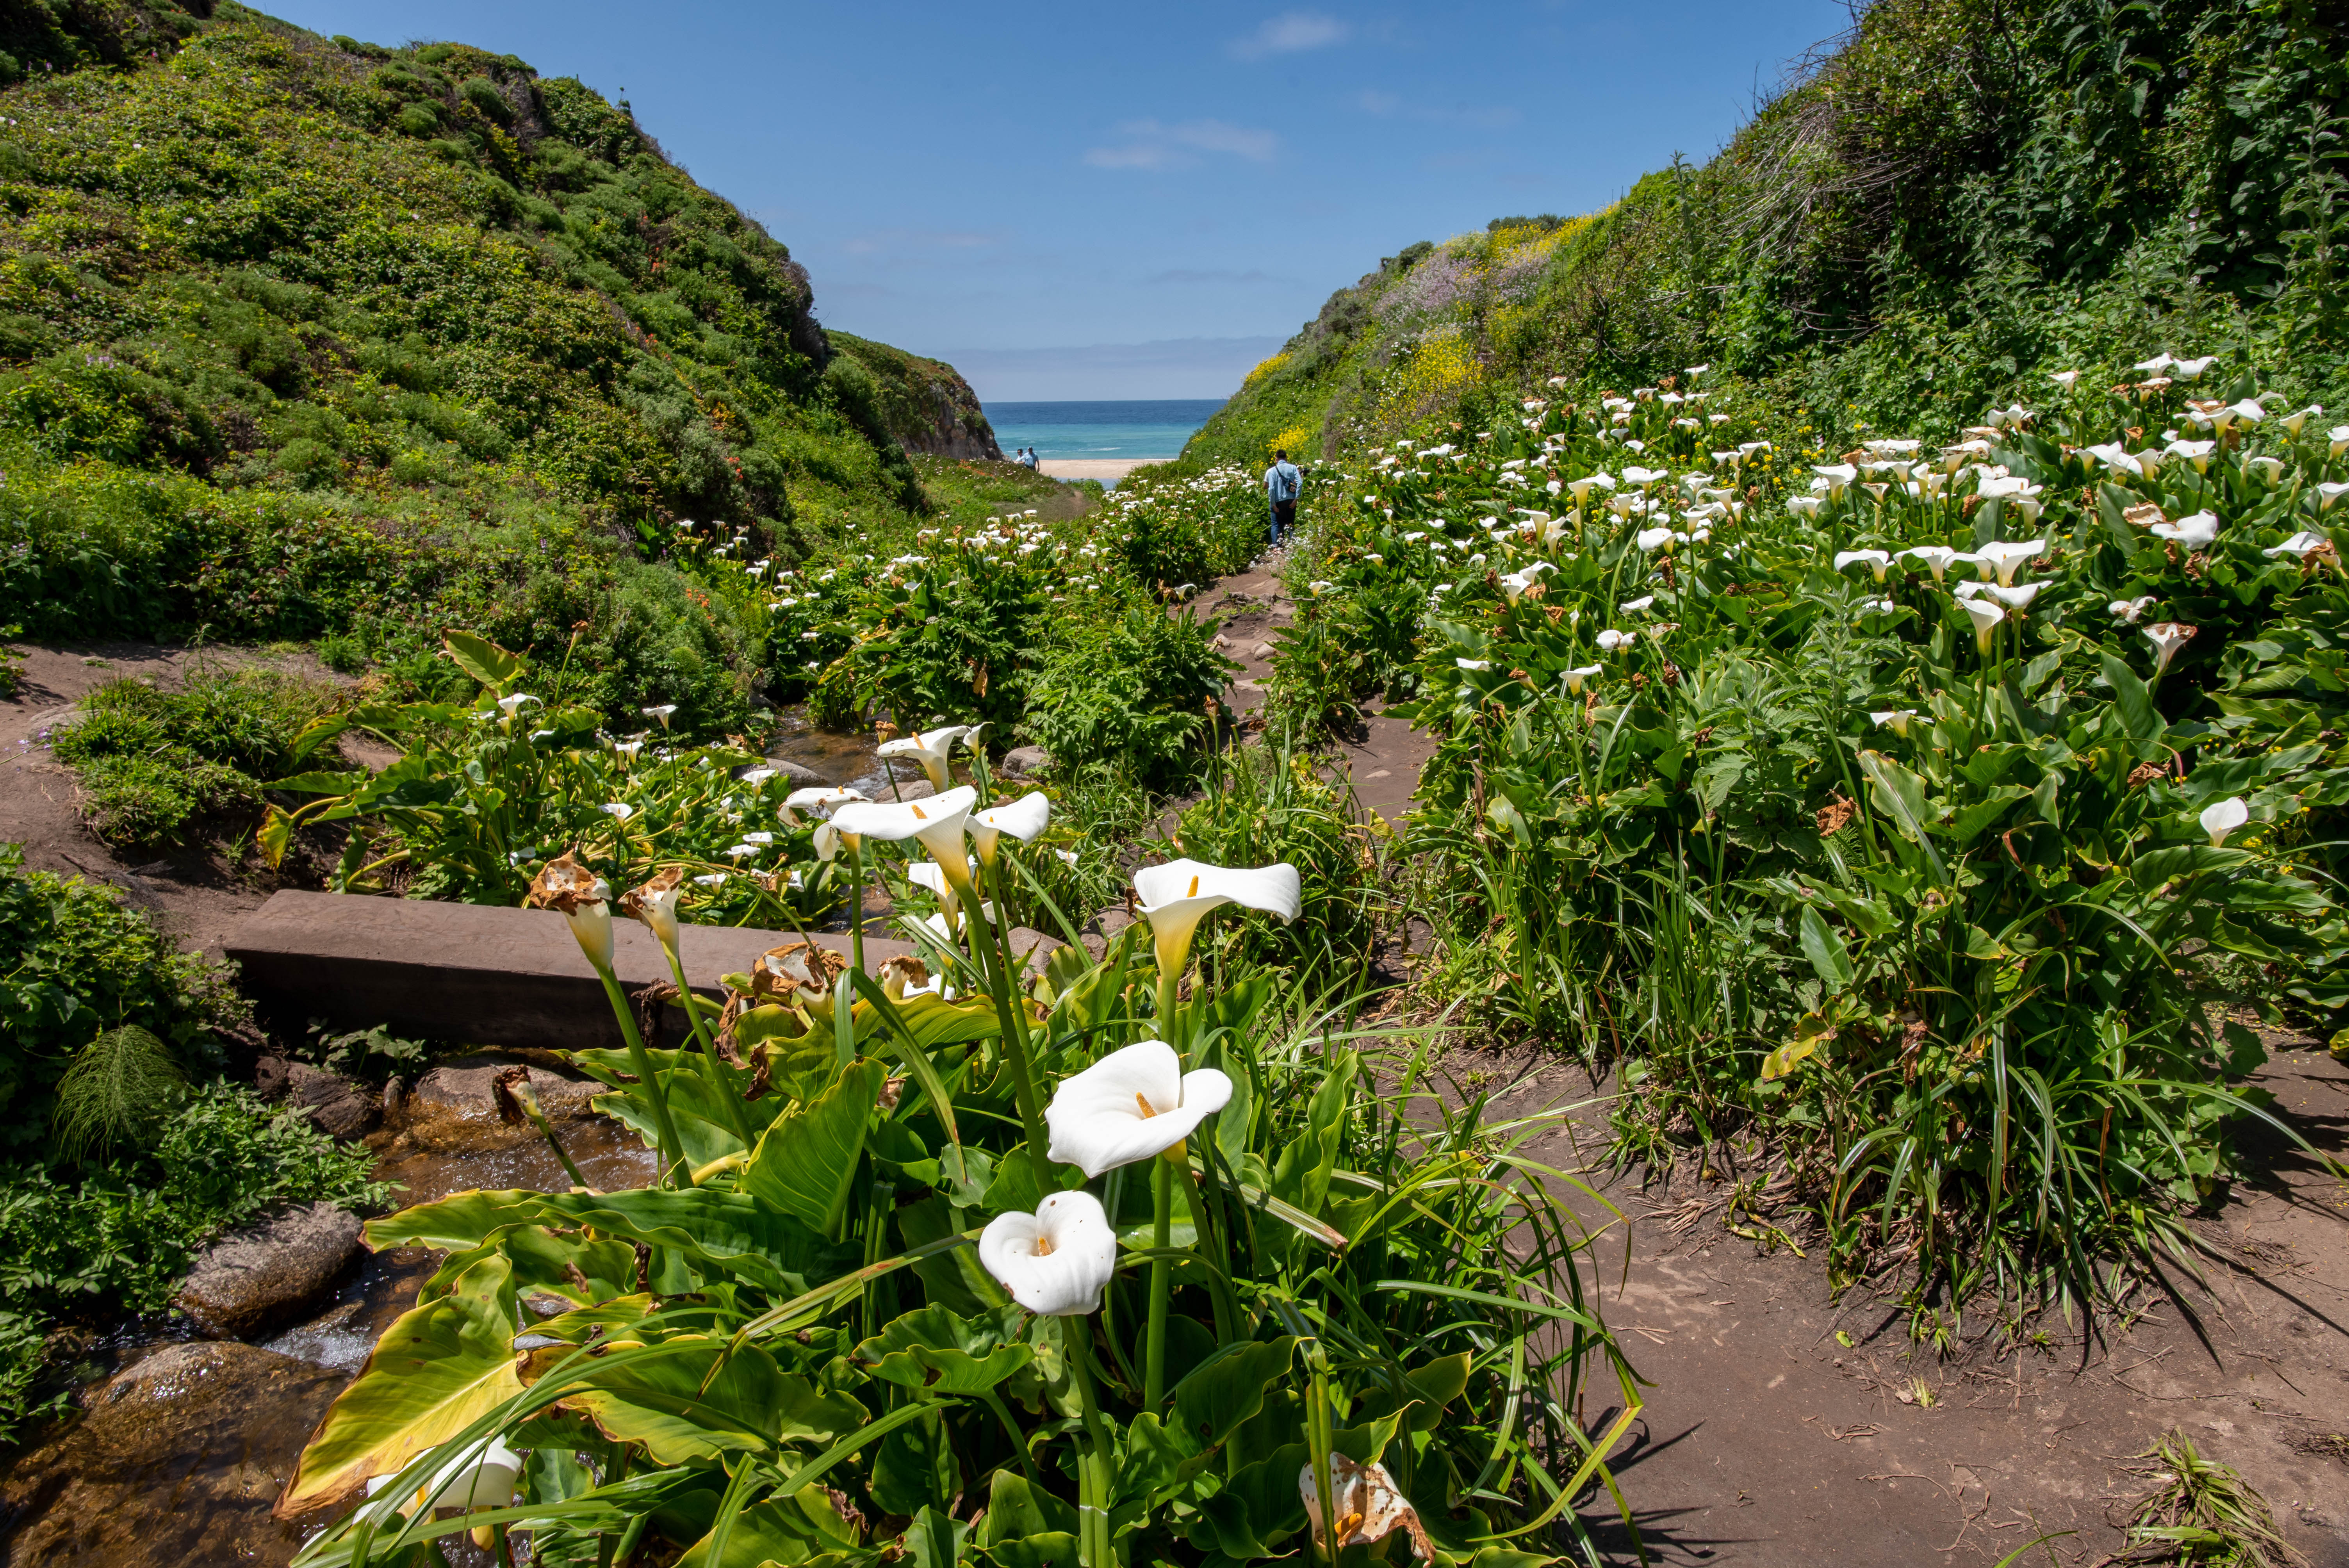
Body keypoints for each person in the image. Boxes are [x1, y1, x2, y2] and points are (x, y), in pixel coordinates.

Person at [1264, 448, 1301, 547]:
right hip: (1291, 500)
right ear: (1286, 458)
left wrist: (1273, 504)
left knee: (1276, 523)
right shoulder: (1293, 468)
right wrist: (1296, 499)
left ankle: (1277, 546)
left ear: (1276, 459)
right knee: (1290, 522)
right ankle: (1292, 545)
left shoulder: (1271, 471)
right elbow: (1300, 483)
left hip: (1278, 501)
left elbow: (1271, 489)